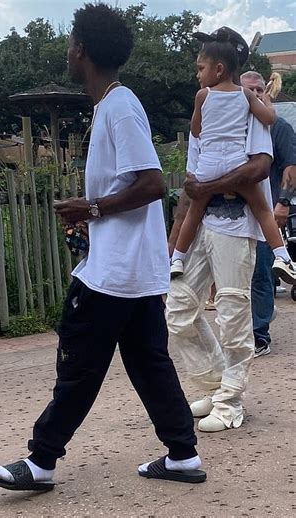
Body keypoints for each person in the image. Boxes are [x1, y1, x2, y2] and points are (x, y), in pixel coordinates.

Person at [0, 4, 205, 491]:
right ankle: (183, 455)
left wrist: (93, 209)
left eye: (70, 42)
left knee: (78, 364)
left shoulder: (120, 106)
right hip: (134, 271)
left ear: (81, 50)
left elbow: (151, 183)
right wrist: (94, 214)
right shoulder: (111, 104)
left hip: (114, 273)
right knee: (150, 364)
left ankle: (41, 461)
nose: (68, 50)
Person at [166, 27, 274, 433]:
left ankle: (231, 401)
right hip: (201, 219)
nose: (198, 69)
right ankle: (215, 384)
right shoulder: (207, 104)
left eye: (203, 62)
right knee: (178, 308)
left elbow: (259, 167)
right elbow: (192, 174)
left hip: (235, 220)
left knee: (231, 312)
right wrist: (176, 237)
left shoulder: (249, 104)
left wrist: (207, 189)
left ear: (224, 62)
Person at [169, 32, 296, 285]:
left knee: (195, 209)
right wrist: (267, 103)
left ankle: (178, 259)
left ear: (218, 69)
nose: (198, 74)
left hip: (210, 164)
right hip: (236, 162)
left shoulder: (202, 96)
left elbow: (196, 130)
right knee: (261, 208)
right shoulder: (246, 97)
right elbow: (269, 119)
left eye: (200, 68)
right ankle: (282, 255)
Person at [240, 70, 296, 357]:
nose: (256, 95)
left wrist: (283, 202)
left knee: (260, 275)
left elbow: (291, 167)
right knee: (241, 278)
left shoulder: (279, 128)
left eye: (260, 89)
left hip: (266, 217)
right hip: (235, 218)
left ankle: (259, 335)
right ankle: (251, 324)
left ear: (267, 91)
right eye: (249, 90)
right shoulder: (235, 127)